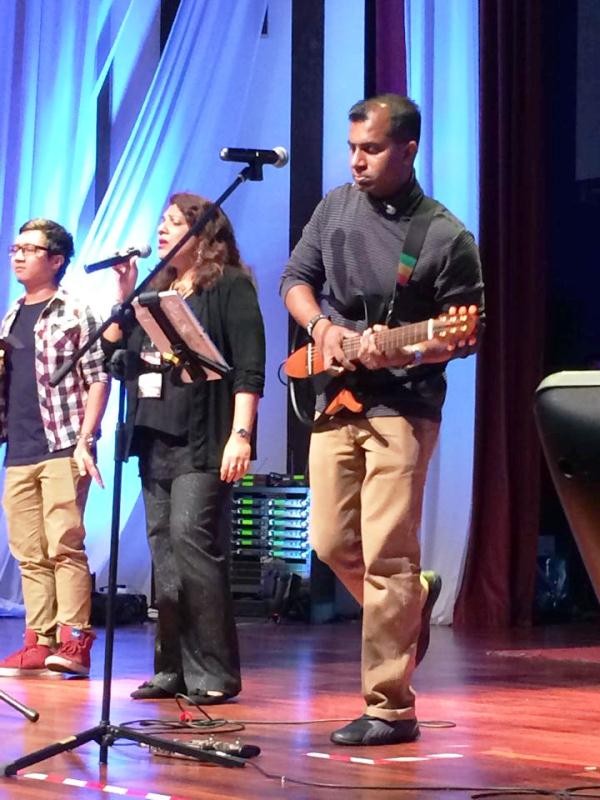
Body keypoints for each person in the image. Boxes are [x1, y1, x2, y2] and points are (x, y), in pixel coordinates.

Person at [280, 94, 484, 745]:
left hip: (404, 409)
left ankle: (390, 706)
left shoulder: (446, 236)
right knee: (331, 543)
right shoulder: (335, 207)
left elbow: (464, 332)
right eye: (351, 149)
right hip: (337, 400)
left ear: (408, 149)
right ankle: (412, 598)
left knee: (387, 554)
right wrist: (322, 328)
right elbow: (295, 277)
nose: (355, 162)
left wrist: (407, 343)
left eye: (369, 150)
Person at [102, 193, 265, 706]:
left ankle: (213, 672)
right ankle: (170, 668)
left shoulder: (229, 286)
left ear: (203, 233)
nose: (161, 230)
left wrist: (241, 435)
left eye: (173, 222)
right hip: (155, 439)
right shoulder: (154, 292)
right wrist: (125, 295)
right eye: (160, 221)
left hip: (205, 441)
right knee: (164, 557)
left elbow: (249, 368)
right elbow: (110, 351)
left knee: (193, 546)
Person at [0, 218, 109, 677]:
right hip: (19, 448)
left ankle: (75, 640)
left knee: (65, 543)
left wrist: (87, 439)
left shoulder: (75, 311)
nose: (18, 256)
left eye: (30, 249)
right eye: (15, 248)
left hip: (63, 443)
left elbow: (99, 379)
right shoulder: (10, 314)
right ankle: (38, 640)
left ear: (56, 260)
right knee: (28, 550)